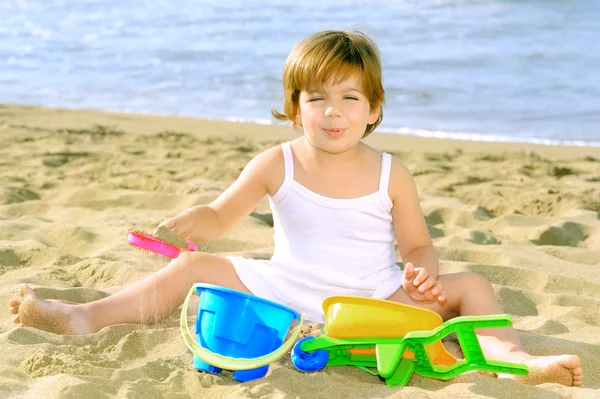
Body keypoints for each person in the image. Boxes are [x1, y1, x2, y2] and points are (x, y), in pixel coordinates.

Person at [8, 30, 582, 386]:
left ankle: (513, 359)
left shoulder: (391, 173)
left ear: (373, 108)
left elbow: (417, 245)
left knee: (472, 284)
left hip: (375, 297)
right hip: (285, 290)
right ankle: (85, 316)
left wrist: (423, 274)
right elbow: (222, 218)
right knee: (190, 270)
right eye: (316, 99)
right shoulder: (276, 162)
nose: (333, 113)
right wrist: (193, 222)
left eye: (349, 98)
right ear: (294, 106)